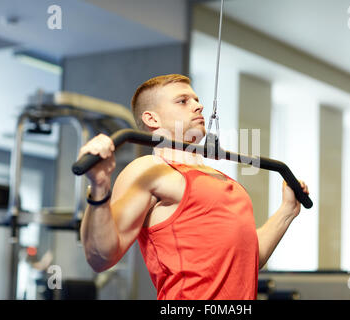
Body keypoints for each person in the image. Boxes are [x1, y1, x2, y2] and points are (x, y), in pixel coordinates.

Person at [79, 74, 309, 300]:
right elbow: (101, 257)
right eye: (182, 101)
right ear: (152, 119)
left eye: (197, 100)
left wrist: (286, 212)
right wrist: (99, 186)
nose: (198, 106)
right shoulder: (150, 169)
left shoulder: (223, 180)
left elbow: (248, 260)